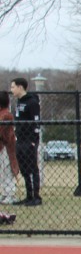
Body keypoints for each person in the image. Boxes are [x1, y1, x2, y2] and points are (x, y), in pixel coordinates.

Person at [9, 77, 41, 206]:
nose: (11, 90)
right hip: (20, 140)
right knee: (24, 168)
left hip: (29, 141)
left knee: (32, 168)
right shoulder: (19, 102)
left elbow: (36, 122)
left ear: (20, 87)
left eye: (13, 87)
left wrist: (34, 140)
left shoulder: (32, 102)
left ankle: (36, 197)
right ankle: (29, 196)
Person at [0, 91, 19, 204]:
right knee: (2, 171)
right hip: (2, 147)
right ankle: (5, 194)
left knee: (7, 170)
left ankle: (10, 195)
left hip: (6, 147)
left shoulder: (6, 115)